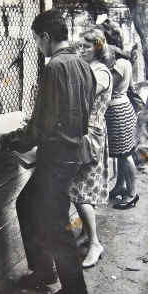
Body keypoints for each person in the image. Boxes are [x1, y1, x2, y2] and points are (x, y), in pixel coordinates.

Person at [0, 9, 96, 294]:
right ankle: (43, 270)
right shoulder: (82, 65)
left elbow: (40, 126)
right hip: (71, 155)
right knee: (28, 204)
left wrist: (6, 139)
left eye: (36, 39)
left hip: (57, 160)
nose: (37, 45)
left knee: (57, 226)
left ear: (46, 37)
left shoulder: (54, 68)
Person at [69, 29, 112, 268]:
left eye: (85, 47)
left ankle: (95, 243)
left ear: (97, 47)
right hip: (85, 132)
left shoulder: (101, 72)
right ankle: (86, 235)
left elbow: (82, 98)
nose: (80, 51)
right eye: (79, 46)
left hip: (91, 134)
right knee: (82, 187)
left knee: (79, 188)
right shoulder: (89, 69)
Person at [105, 54, 139, 209]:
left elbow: (108, 87)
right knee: (122, 153)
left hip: (118, 110)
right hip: (124, 107)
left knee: (125, 155)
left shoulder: (118, 64)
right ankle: (120, 186)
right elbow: (131, 86)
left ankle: (131, 194)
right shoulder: (125, 62)